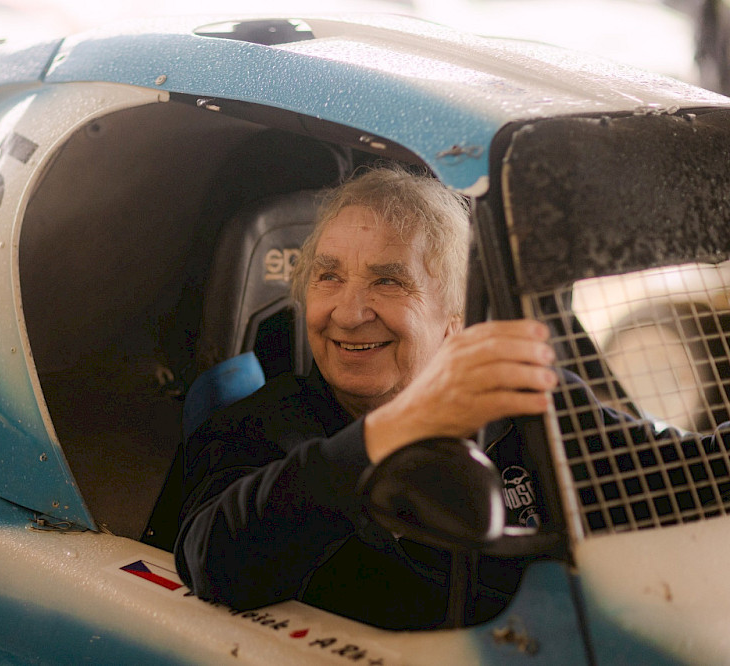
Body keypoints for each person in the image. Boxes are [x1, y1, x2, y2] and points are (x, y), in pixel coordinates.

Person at [174, 165, 562, 629]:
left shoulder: (527, 407)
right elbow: (211, 561)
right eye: (329, 277)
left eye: (388, 281)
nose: (348, 314)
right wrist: (397, 428)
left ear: (456, 317)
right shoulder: (253, 429)